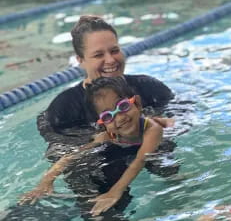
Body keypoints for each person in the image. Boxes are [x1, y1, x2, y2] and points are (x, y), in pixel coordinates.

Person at [22, 76, 172, 215]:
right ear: (102, 124)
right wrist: (47, 181)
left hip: (151, 147)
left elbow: (140, 160)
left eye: (123, 106)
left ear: (137, 103)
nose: (120, 118)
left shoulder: (152, 130)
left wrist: (115, 192)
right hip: (123, 148)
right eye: (108, 116)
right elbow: (72, 156)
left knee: (166, 169)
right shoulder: (107, 136)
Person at [37, 15, 174, 158]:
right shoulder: (64, 108)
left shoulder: (150, 88)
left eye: (114, 51)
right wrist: (95, 140)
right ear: (81, 60)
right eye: (98, 55)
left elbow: (183, 120)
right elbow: (59, 153)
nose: (110, 60)